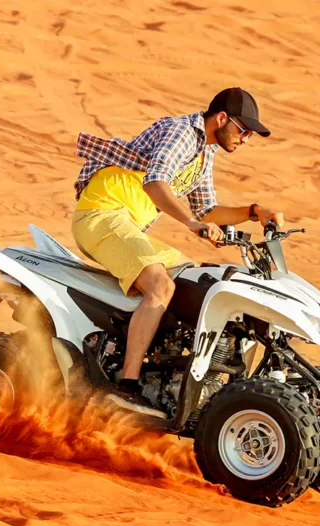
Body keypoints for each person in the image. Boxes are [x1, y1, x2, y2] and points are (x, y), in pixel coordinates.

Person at [71, 87, 284, 409]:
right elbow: (155, 182)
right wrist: (190, 223)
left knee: (192, 283)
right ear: (221, 118)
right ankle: (126, 386)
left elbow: (207, 210)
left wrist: (254, 212)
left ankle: (164, 373)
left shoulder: (205, 152)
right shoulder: (182, 133)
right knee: (160, 285)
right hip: (101, 214)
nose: (245, 139)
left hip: (125, 227)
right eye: (243, 130)